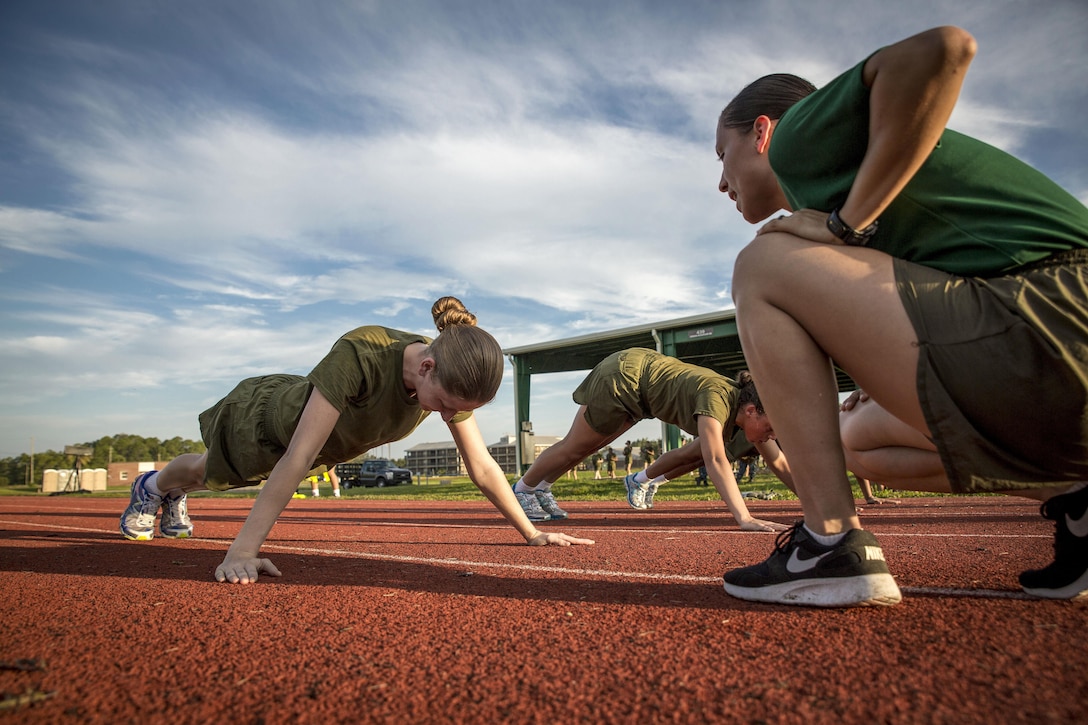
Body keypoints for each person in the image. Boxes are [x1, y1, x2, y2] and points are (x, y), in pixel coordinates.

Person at [715, 26, 1088, 606]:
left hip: (1061, 316)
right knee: (855, 440)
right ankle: (1081, 498)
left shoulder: (796, 142)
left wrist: (846, 225)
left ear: (761, 132)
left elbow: (944, 49)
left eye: (722, 155)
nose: (721, 182)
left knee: (762, 263)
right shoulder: (851, 177)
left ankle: (828, 543)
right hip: (1051, 345)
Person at [119, 297, 594, 583]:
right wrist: (242, 551)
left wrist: (531, 534)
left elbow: (483, 468)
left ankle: (167, 489)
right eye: (447, 404)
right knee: (209, 473)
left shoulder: (446, 376)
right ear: (426, 366)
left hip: (313, 451)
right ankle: (156, 487)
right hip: (266, 426)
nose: (452, 415)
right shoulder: (363, 352)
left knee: (220, 477)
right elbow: (298, 452)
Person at [510, 348, 786, 532]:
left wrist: (818, 509)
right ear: (751, 411)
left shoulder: (746, 413)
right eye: (771, 428)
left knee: (590, 447)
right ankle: (523, 489)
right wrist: (744, 517)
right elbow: (714, 458)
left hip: (641, 390)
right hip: (626, 377)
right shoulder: (717, 399)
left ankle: (541, 487)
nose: (772, 436)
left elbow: (780, 462)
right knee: (575, 445)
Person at [626, 427, 794, 509]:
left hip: (765, 432)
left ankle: (655, 482)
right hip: (741, 430)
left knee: (699, 460)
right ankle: (639, 479)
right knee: (690, 454)